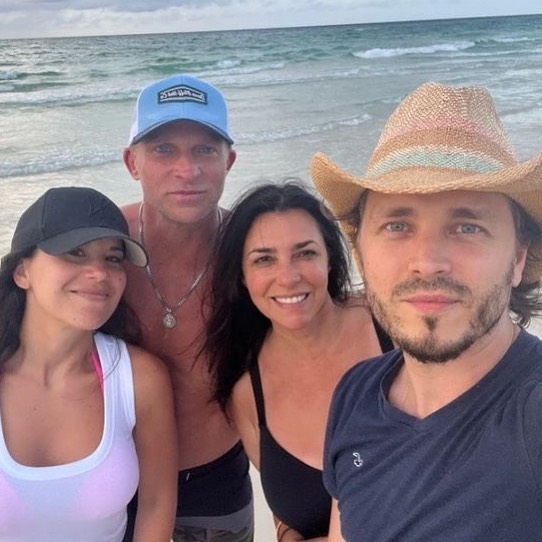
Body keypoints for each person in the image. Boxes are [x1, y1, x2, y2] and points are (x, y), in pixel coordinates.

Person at [310, 81, 542, 541]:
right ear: (361, 253)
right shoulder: (356, 392)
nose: (428, 261)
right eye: (397, 225)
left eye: (467, 226)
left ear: (517, 258)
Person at [204, 181, 394, 542]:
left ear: (329, 259)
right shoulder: (248, 393)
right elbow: (290, 513)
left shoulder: (393, 328)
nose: (288, 277)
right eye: (264, 259)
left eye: (305, 253)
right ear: (242, 277)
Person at [0, 186, 177, 542]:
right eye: (75, 253)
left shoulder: (139, 379)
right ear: (23, 272)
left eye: (112, 258)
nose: (99, 273)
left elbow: (157, 502)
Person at [121, 74, 253, 542]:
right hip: (111, 482)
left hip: (215, 479)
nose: (187, 169)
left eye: (204, 150)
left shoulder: (253, 251)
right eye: (163, 150)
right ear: (131, 162)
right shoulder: (100, 247)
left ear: (228, 161)